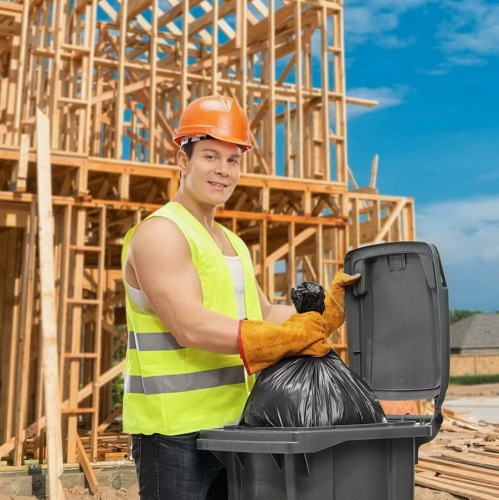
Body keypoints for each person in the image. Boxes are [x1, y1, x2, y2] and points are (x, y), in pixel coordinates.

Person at [121, 95, 332, 499]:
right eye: (210, 156)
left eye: (233, 160)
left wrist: (325, 316)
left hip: (234, 424)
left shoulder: (231, 242)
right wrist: (286, 339)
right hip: (173, 432)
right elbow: (189, 325)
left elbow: (264, 312)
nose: (223, 170)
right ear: (183, 161)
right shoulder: (161, 233)